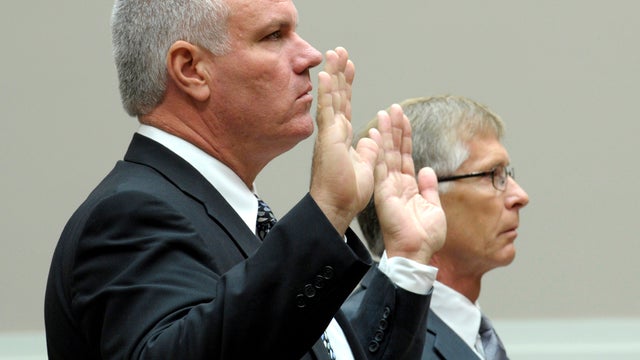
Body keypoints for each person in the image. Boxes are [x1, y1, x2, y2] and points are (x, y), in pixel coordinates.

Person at [44, 1, 447, 359]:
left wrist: (407, 264)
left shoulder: (235, 216)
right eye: (273, 35)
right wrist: (328, 212)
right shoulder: (130, 213)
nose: (309, 55)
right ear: (190, 70)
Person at [345, 95, 530, 359]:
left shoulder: (475, 333)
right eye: (493, 175)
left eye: (507, 175)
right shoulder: (363, 335)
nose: (520, 196)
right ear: (416, 195)